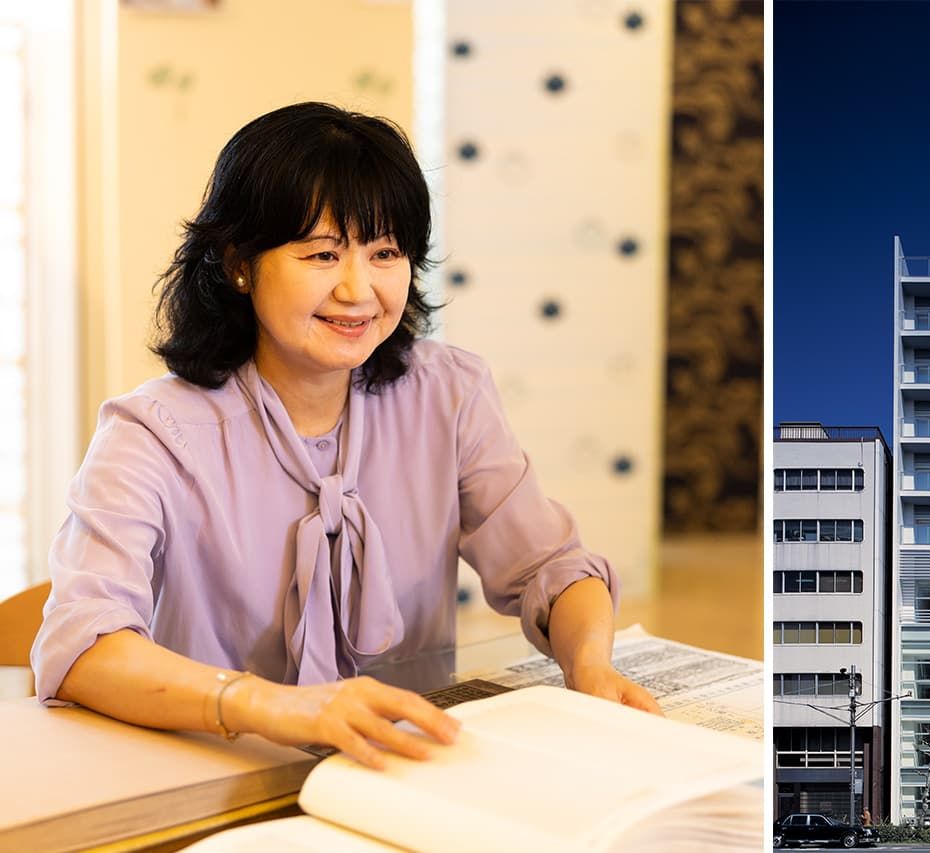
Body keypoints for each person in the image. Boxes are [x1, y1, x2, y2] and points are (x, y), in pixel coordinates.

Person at [31, 102, 659, 769]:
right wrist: (272, 706)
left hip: (404, 767)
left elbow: (552, 569)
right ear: (240, 264)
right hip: (214, 771)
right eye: (323, 254)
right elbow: (83, 646)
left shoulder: (448, 394)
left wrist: (589, 664)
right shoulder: (152, 433)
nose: (358, 290)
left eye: (385, 253)